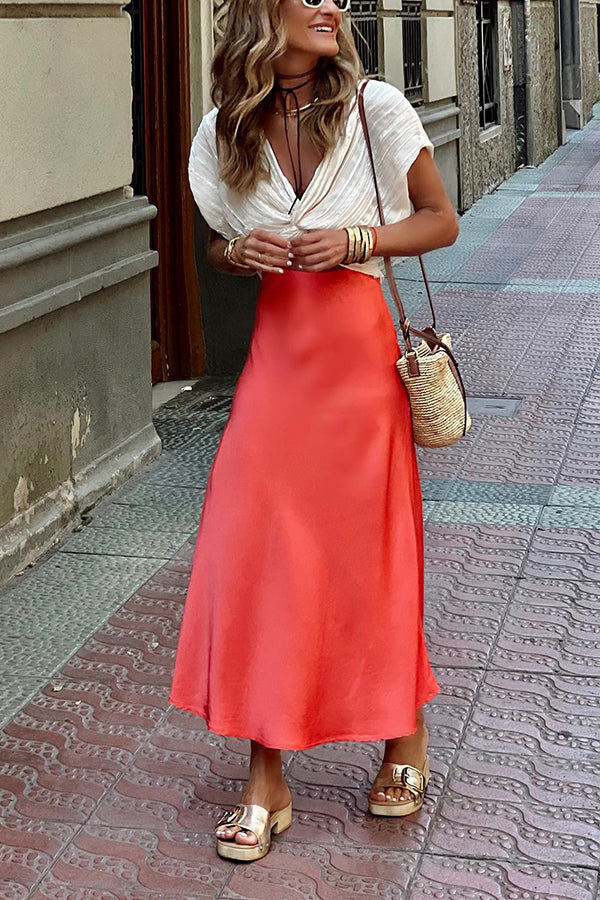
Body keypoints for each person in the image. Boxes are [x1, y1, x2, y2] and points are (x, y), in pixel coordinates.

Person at [169, 0, 459, 863]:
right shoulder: (225, 127)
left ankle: (405, 736)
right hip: (278, 366)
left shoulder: (376, 107)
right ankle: (266, 777)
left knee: (371, 552)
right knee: (258, 553)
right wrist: (239, 253)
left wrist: (360, 237)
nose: (331, 3)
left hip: (359, 365)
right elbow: (218, 243)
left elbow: (440, 220)